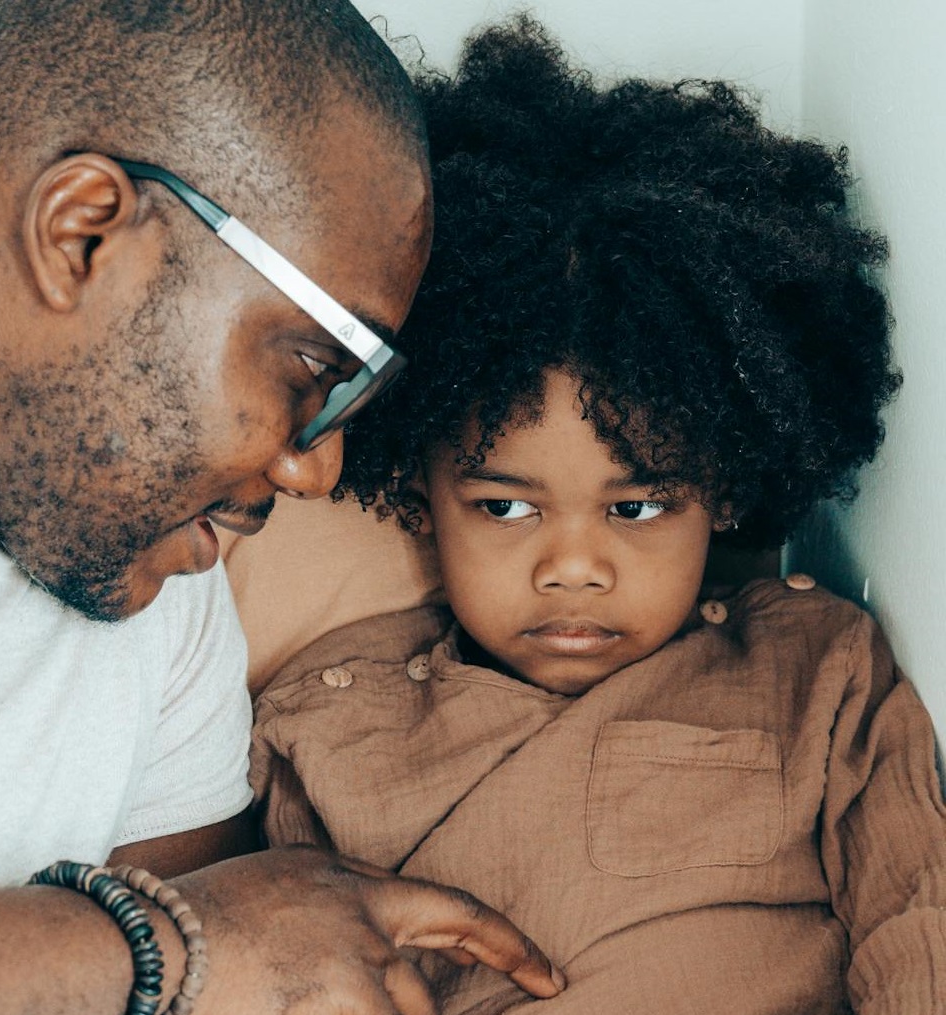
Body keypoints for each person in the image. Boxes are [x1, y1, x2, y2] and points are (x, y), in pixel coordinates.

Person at [0, 1, 567, 1012]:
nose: (315, 471)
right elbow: (206, 951)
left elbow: (246, 974)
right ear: (83, 234)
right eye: (316, 367)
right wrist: (155, 947)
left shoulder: (146, 564)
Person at [250, 14, 946, 1015]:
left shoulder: (816, 670)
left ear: (728, 485)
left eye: (639, 504)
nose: (572, 566)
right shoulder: (329, 722)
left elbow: (918, 914)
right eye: (503, 505)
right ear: (415, 491)